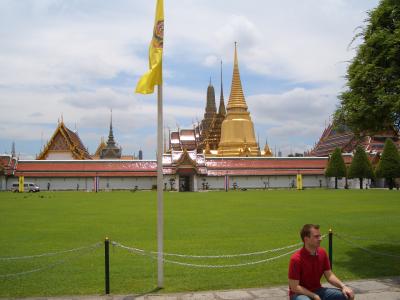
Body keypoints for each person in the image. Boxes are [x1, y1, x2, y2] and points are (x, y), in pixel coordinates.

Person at [288, 224, 354, 300]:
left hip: (317, 290)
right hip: (299, 294)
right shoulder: (296, 259)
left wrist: (344, 286)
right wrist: (314, 296)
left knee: (346, 295)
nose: (320, 239)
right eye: (316, 236)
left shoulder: (322, 252)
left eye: (320, 236)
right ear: (306, 239)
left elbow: (329, 275)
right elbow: (294, 287)